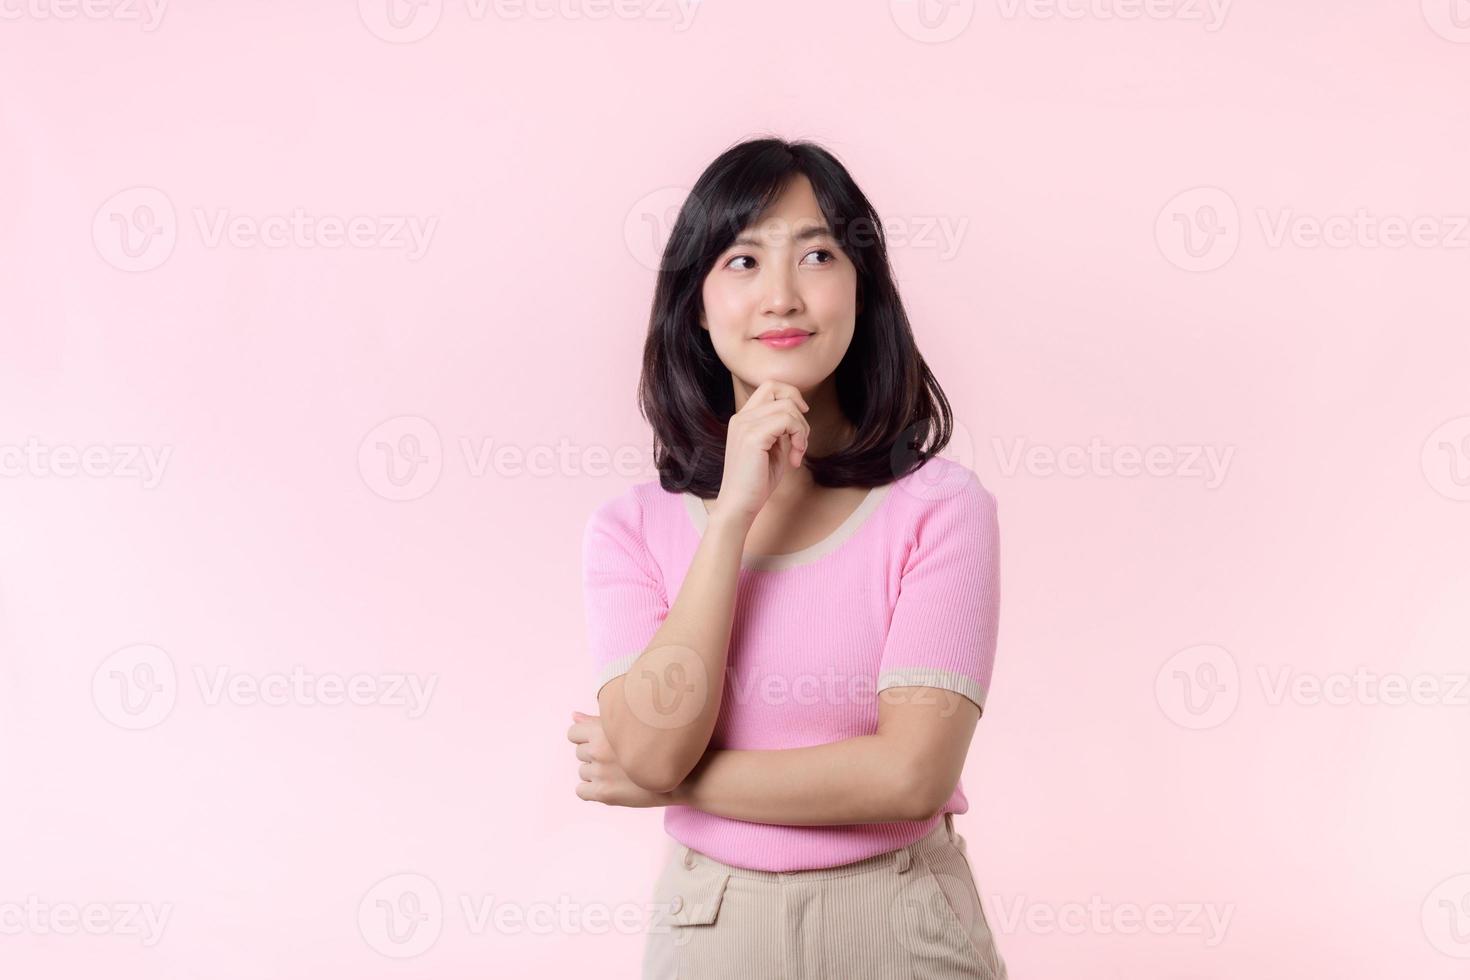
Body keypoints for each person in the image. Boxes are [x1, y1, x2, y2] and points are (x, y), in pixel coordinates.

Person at [567, 135, 1008, 979]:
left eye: (816, 254)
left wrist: (673, 783)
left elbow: (910, 774)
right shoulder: (629, 530)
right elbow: (658, 744)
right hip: (711, 928)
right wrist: (732, 516)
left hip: (904, 925)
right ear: (694, 304)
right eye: (741, 260)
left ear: (862, 288)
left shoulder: (941, 509)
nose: (781, 296)